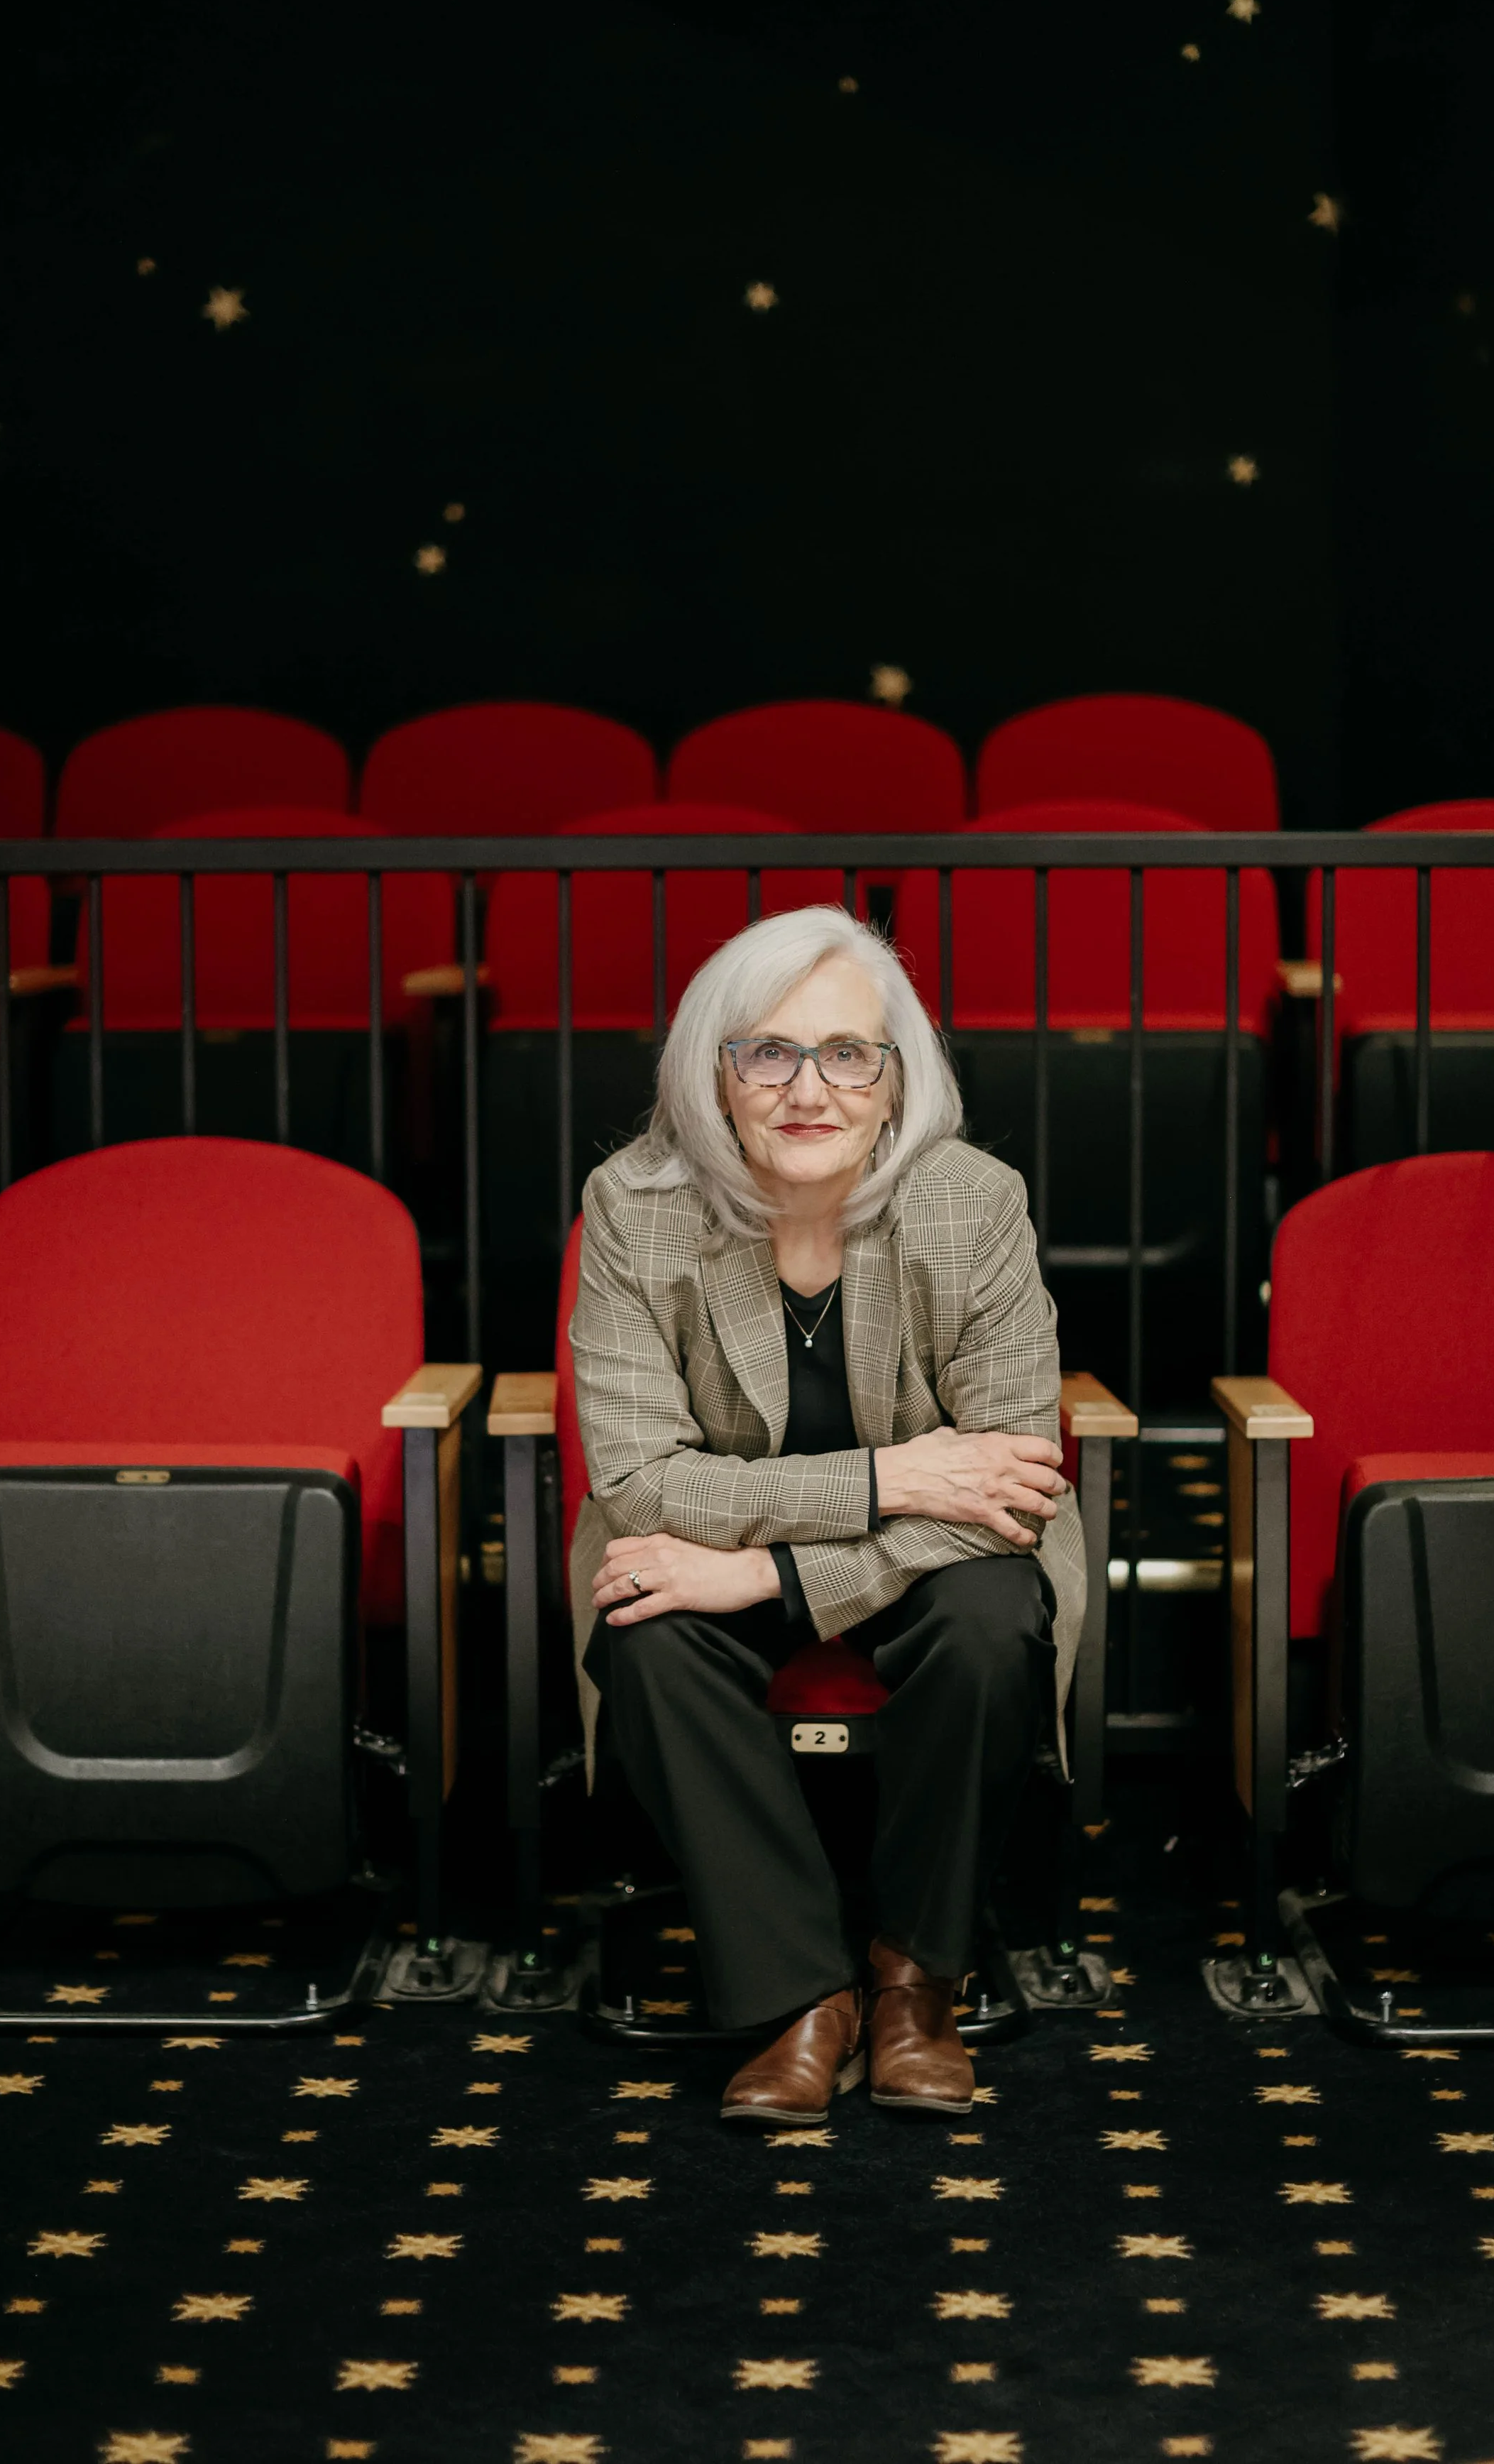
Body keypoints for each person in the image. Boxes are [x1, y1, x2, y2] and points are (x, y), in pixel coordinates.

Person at [571, 902, 1084, 2123]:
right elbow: (643, 1484)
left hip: (915, 1560)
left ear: (899, 1079)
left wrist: (772, 1579)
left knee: (990, 1615)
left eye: (850, 1052)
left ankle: (915, 1985)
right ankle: (805, 1996)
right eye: (770, 1052)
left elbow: (1005, 1482)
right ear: (716, 1072)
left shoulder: (975, 1203)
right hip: (703, 1545)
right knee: (646, 1625)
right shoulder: (636, 1205)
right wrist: (893, 1475)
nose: (811, 1088)